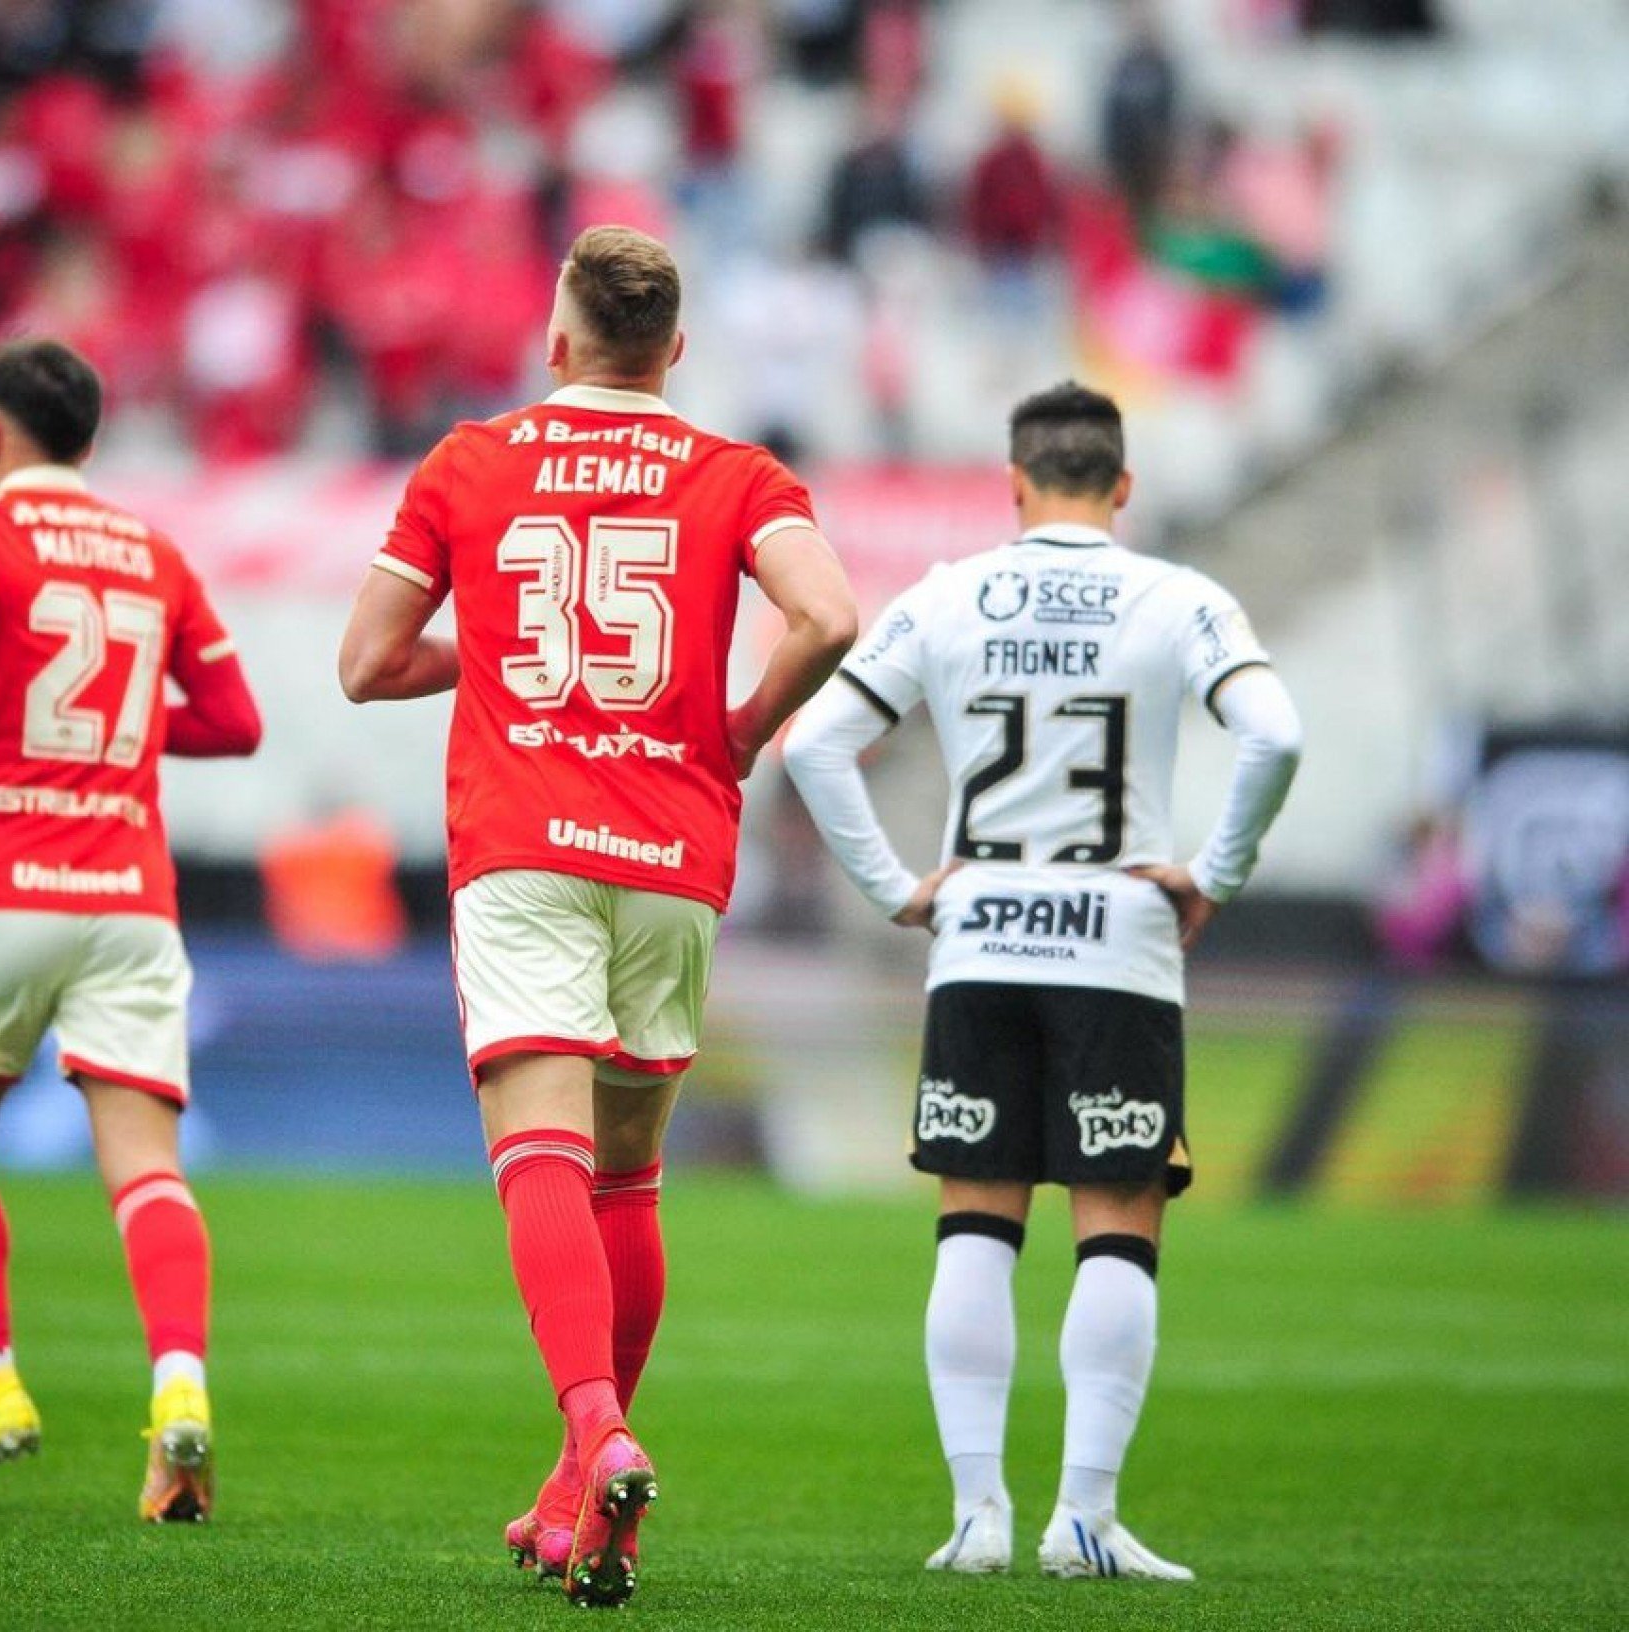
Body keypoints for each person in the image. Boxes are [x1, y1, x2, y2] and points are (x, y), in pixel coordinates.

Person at [338, 224, 856, 1606]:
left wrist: (493, 645)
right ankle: (578, 1491)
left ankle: (595, 1429)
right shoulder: (735, 472)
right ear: (675, 353)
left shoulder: (472, 461)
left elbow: (366, 662)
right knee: (628, 1173)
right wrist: (743, 731)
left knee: (539, 1156)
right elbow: (831, 618)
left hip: (524, 847)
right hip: (673, 848)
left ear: (556, 342)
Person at [783, 381, 1300, 1581]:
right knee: (1116, 1229)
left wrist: (899, 889)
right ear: (1123, 488)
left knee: (976, 1222)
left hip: (980, 935)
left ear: (1013, 485)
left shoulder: (952, 592)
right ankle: (1083, 1521)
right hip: (1118, 935)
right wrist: (1214, 873)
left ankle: (976, 1520)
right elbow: (1275, 735)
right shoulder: (1180, 596)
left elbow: (816, 742)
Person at [0, 339, 262, 1523]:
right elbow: (238, 721)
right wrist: (115, 745)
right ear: (90, 440)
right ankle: (180, 1396)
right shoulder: (154, 554)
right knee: (148, 1170)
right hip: (126, 898)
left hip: (1, 883)